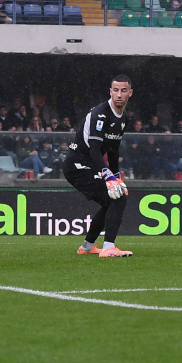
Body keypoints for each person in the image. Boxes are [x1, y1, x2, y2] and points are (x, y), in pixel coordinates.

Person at [65, 75, 134, 257]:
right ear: (110, 92)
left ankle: (87, 247)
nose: (119, 94)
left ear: (130, 93)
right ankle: (108, 248)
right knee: (118, 198)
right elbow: (95, 149)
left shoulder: (123, 118)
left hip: (90, 165)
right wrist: (108, 175)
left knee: (110, 201)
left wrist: (116, 176)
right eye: (116, 90)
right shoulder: (100, 114)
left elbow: (113, 149)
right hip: (77, 165)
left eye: (123, 90)